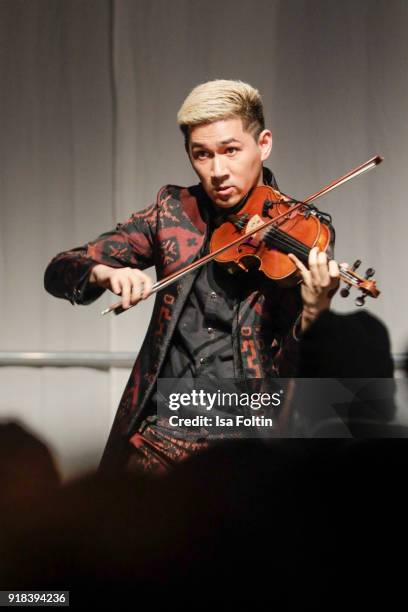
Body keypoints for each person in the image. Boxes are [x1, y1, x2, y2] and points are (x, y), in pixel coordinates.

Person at [44, 79, 340, 475]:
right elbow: (61, 268)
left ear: (263, 144)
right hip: (161, 434)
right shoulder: (173, 212)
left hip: (247, 439)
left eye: (231, 151)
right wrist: (103, 273)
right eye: (202, 155)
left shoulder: (299, 230)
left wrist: (314, 313)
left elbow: (293, 374)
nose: (218, 171)